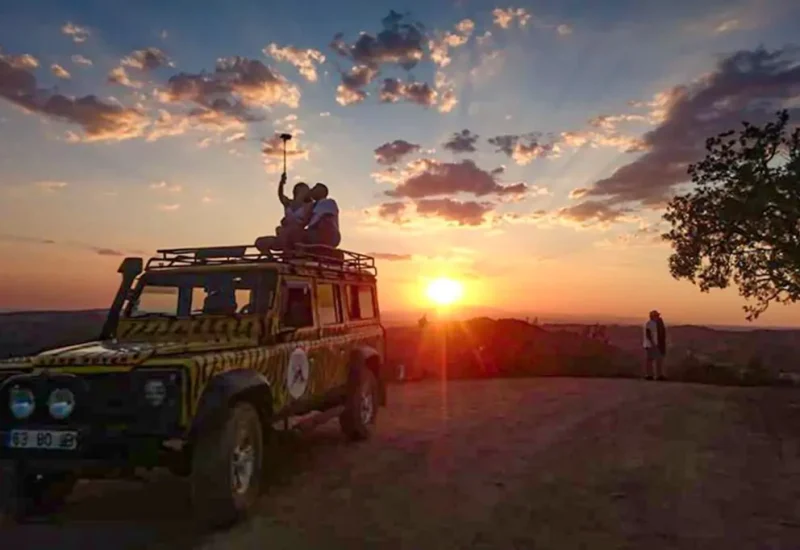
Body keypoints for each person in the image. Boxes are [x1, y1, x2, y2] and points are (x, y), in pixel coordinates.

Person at [255, 173, 312, 253]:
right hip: (284, 234)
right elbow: (280, 195)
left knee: (286, 231)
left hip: (298, 235)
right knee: (260, 242)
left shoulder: (308, 205)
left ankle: (289, 252)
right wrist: (281, 183)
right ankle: (270, 258)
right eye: (302, 189)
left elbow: (307, 221)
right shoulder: (288, 203)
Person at [300, 183, 341, 248]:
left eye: (314, 188)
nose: (312, 190)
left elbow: (325, 218)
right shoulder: (312, 205)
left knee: (324, 222)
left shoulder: (328, 202)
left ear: (321, 191)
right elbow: (303, 222)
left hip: (327, 234)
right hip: (314, 233)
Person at [643, 310, 667, 380]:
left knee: (654, 360)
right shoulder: (650, 323)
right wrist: (653, 343)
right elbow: (648, 334)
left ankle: (653, 375)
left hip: (653, 344)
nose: (658, 317)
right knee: (653, 360)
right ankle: (652, 375)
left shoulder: (654, 323)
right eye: (656, 316)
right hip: (651, 345)